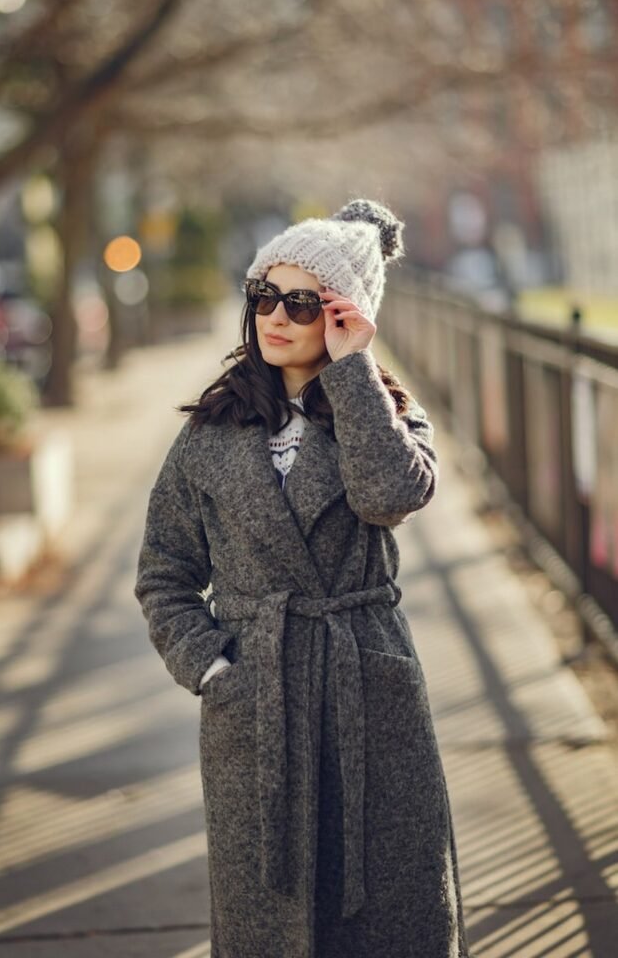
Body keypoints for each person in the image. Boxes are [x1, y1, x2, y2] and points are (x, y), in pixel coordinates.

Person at [134, 199, 469, 958]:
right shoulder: (207, 435)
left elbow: (387, 495)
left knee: (392, 909)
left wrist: (353, 375)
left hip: (369, 691)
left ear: (344, 316)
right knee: (270, 922)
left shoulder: (389, 417)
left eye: (302, 301)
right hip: (256, 701)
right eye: (263, 296)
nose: (274, 316)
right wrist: (214, 667)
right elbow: (164, 574)